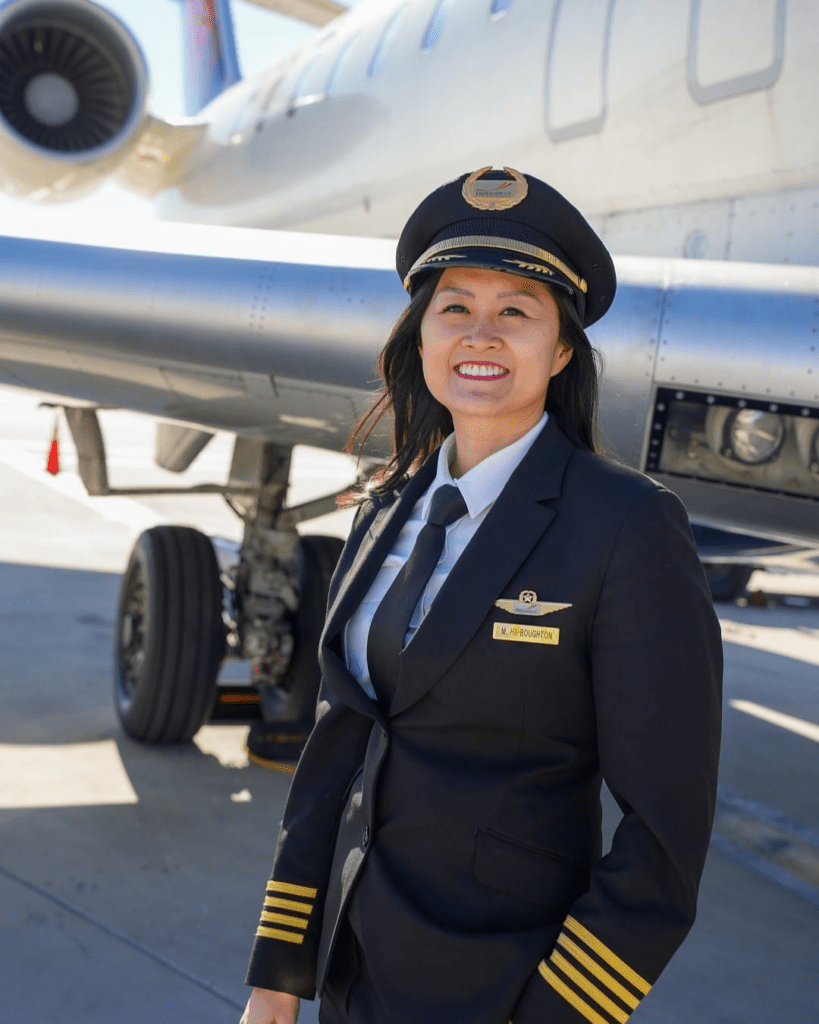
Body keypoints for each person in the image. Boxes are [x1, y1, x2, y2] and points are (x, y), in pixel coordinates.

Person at [240, 167, 723, 1024]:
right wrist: (279, 974)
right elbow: (338, 749)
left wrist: (558, 1012)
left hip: (505, 987)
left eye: (516, 311)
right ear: (420, 337)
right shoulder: (384, 509)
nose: (480, 333)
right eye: (454, 306)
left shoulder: (626, 526)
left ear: (562, 350)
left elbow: (665, 836)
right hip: (353, 974)